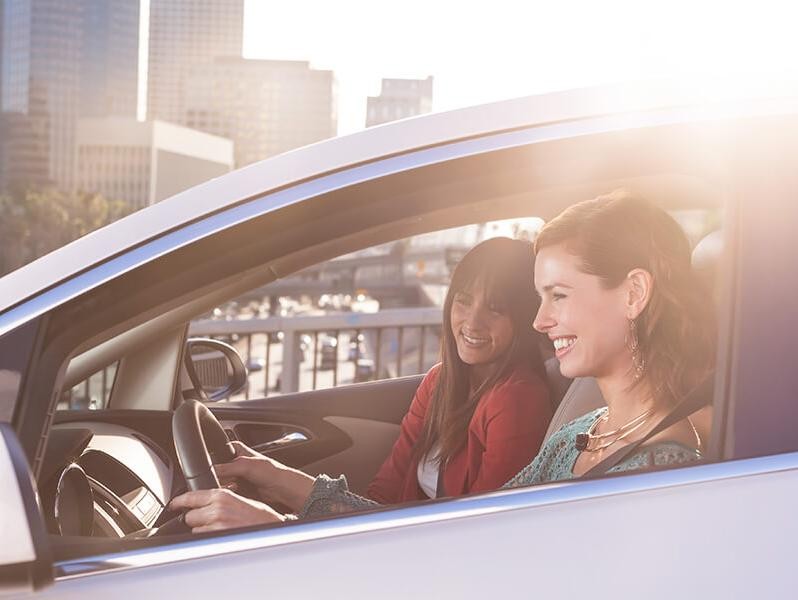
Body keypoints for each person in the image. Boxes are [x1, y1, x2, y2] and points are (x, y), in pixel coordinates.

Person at [169, 192, 715, 531]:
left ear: (633, 293)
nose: (539, 321)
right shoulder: (579, 433)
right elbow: (456, 535)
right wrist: (283, 498)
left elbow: (467, 556)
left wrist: (279, 528)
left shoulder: (662, 472)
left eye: (559, 296)